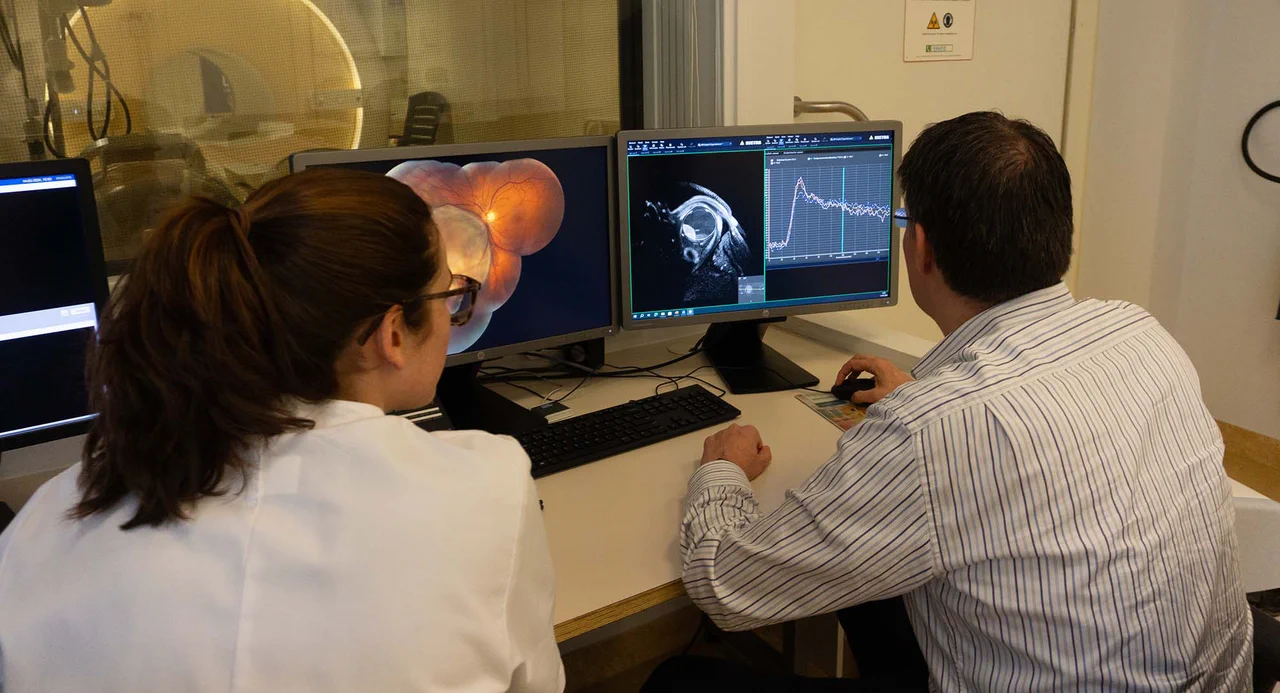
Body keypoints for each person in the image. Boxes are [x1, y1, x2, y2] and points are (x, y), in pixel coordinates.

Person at [651, 112, 1252, 691]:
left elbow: (724, 587)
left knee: (676, 681)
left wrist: (722, 471)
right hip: (1214, 679)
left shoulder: (932, 430)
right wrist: (926, 398)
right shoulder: (1140, 333)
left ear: (922, 248)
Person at [0, 169, 565, 692]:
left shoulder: (48, 521)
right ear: (391, 334)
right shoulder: (488, 491)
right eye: (451, 297)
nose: (454, 314)